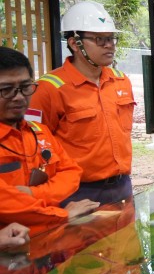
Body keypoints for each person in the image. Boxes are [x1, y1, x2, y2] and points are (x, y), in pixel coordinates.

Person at [29, 1, 135, 206]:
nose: (109, 45)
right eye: (99, 39)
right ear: (74, 44)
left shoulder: (121, 80)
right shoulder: (49, 88)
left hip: (122, 185)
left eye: (111, 38)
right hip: (76, 192)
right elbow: (32, 143)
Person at [0, 47, 98, 233]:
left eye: (25, 87)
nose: (19, 97)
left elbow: (71, 172)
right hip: (12, 243)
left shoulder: (39, 131)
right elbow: (6, 204)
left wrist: (34, 193)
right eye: (6, 90)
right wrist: (62, 215)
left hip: (50, 238)